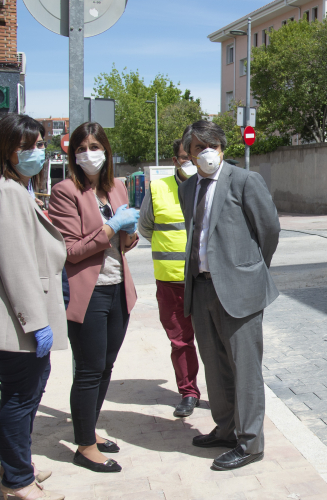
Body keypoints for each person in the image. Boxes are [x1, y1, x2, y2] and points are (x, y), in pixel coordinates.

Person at [0, 114, 67, 500]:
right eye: (26, 146)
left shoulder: (8, 189)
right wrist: (35, 321)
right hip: (18, 321)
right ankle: (17, 482)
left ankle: (18, 464)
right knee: (20, 397)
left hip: (20, 319)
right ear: (6, 150)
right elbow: (17, 263)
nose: (36, 152)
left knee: (27, 393)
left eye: (40, 144)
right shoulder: (6, 193)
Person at [177, 120, 280, 471]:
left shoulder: (245, 180)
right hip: (201, 287)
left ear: (222, 149)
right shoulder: (188, 188)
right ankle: (225, 429)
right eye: (198, 147)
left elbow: (269, 229)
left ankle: (250, 443)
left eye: (213, 146)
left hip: (240, 290)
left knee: (245, 368)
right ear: (189, 154)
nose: (206, 152)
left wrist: (250, 269)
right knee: (215, 364)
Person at [49, 122, 140, 474]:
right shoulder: (65, 191)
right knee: (88, 370)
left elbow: (124, 245)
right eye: (81, 148)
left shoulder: (116, 186)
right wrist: (111, 226)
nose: (89, 154)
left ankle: (90, 429)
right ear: (73, 155)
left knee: (106, 366)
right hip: (88, 292)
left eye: (95, 146)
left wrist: (128, 232)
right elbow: (71, 251)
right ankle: (84, 446)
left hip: (118, 287)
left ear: (106, 150)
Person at [138, 138, 201, 418]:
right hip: (171, 282)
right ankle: (188, 392)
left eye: (194, 155)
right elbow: (146, 228)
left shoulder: (210, 186)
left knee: (215, 341)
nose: (191, 161)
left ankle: (224, 394)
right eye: (185, 156)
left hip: (206, 279)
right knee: (180, 340)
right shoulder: (158, 189)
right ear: (175, 161)